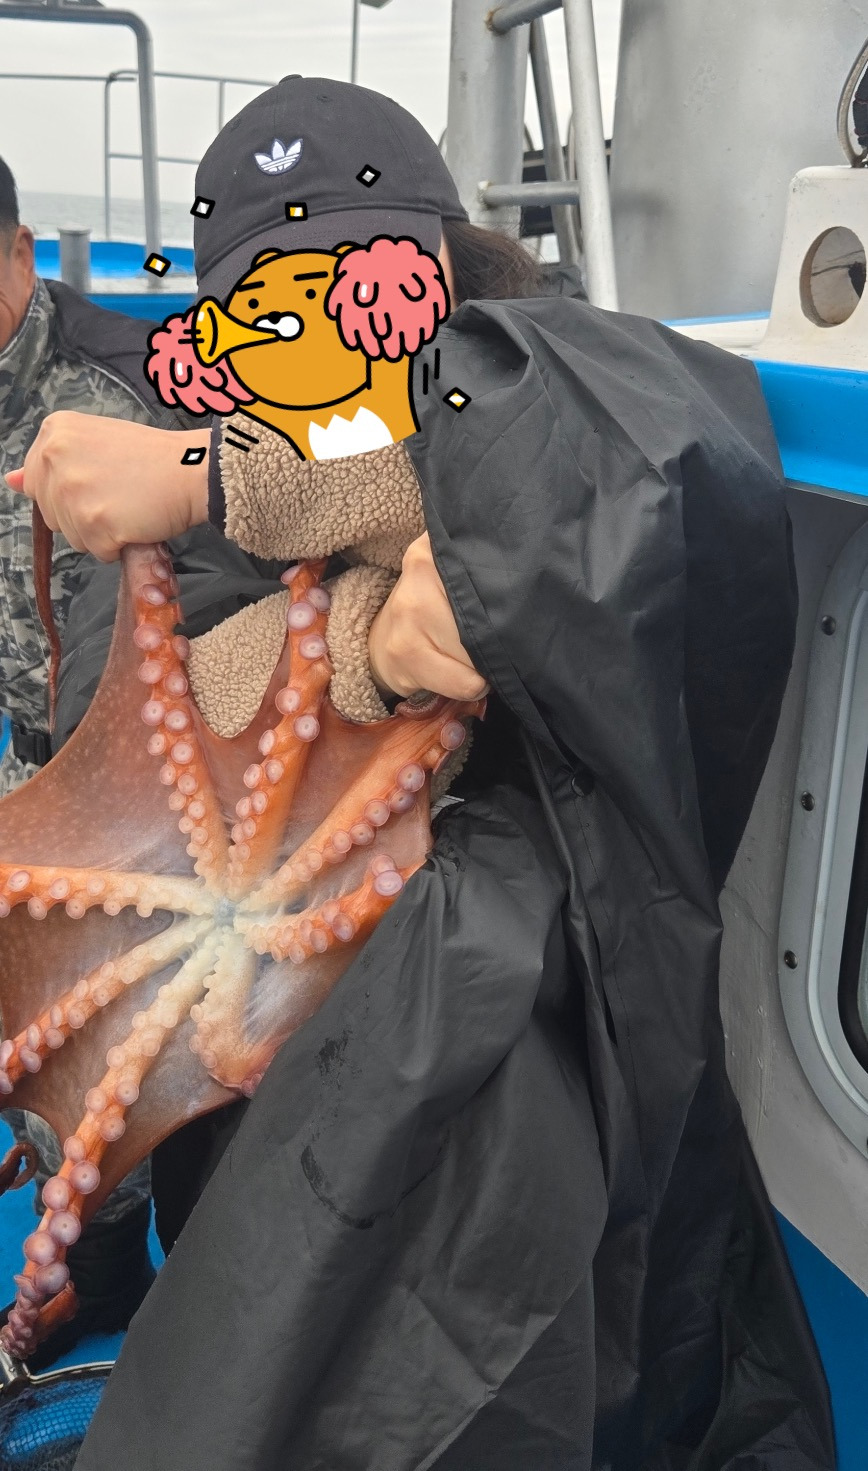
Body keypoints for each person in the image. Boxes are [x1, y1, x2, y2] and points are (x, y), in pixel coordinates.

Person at [8, 78, 835, 1470]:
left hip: (540, 1086)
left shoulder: (561, 392)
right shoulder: (200, 491)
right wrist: (359, 642)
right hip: (278, 1094)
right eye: (266, 309)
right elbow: (158, 694)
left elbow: (560, 463)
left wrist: (225, 480)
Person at [0, 156, 284, 1365]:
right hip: (31, 764)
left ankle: (163, 1305)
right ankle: (100, 1282)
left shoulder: (132, 392)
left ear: (17, 252)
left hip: (153, 805)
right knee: (54, 1071)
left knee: (133, 1072)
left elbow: (230, 605)